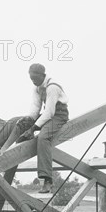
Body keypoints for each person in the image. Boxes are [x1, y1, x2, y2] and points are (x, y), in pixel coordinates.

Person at [19, 64, 69, 193]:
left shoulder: (52, 87)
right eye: (31, 79)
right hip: (48, 113)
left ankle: (47, 180)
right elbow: (36, 107)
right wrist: (29, 120)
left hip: (59, 115)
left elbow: (50, 112)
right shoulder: (37, 88)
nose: (34, 82)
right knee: (19, 122)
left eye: (35, 78)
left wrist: (34, 128)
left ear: (43, 75)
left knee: (43, 137)